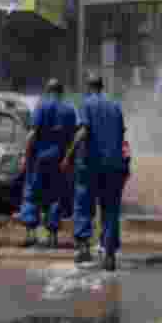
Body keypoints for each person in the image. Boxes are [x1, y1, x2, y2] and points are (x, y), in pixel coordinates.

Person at [61, 74, 129, 270]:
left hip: (91, 166)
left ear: (89, 87)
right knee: (110, 210)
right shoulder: (116, 106)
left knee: (83, 207)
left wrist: (68, 155)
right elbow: (121, 137)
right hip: (114, 167)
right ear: (102, 86)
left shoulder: (87, 104)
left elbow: (83, 132)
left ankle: (83, 250)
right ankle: (109, 256)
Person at [19, 79, 68, 249]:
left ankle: (31, 235)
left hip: (39, 159)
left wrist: (25, 157)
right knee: (54, 196)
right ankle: (52, 237)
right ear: (61, 92)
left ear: (47, 91)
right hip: (59, 160)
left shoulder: (41, 107)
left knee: (32, 193)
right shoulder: (68, 109)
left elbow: (32, 134)